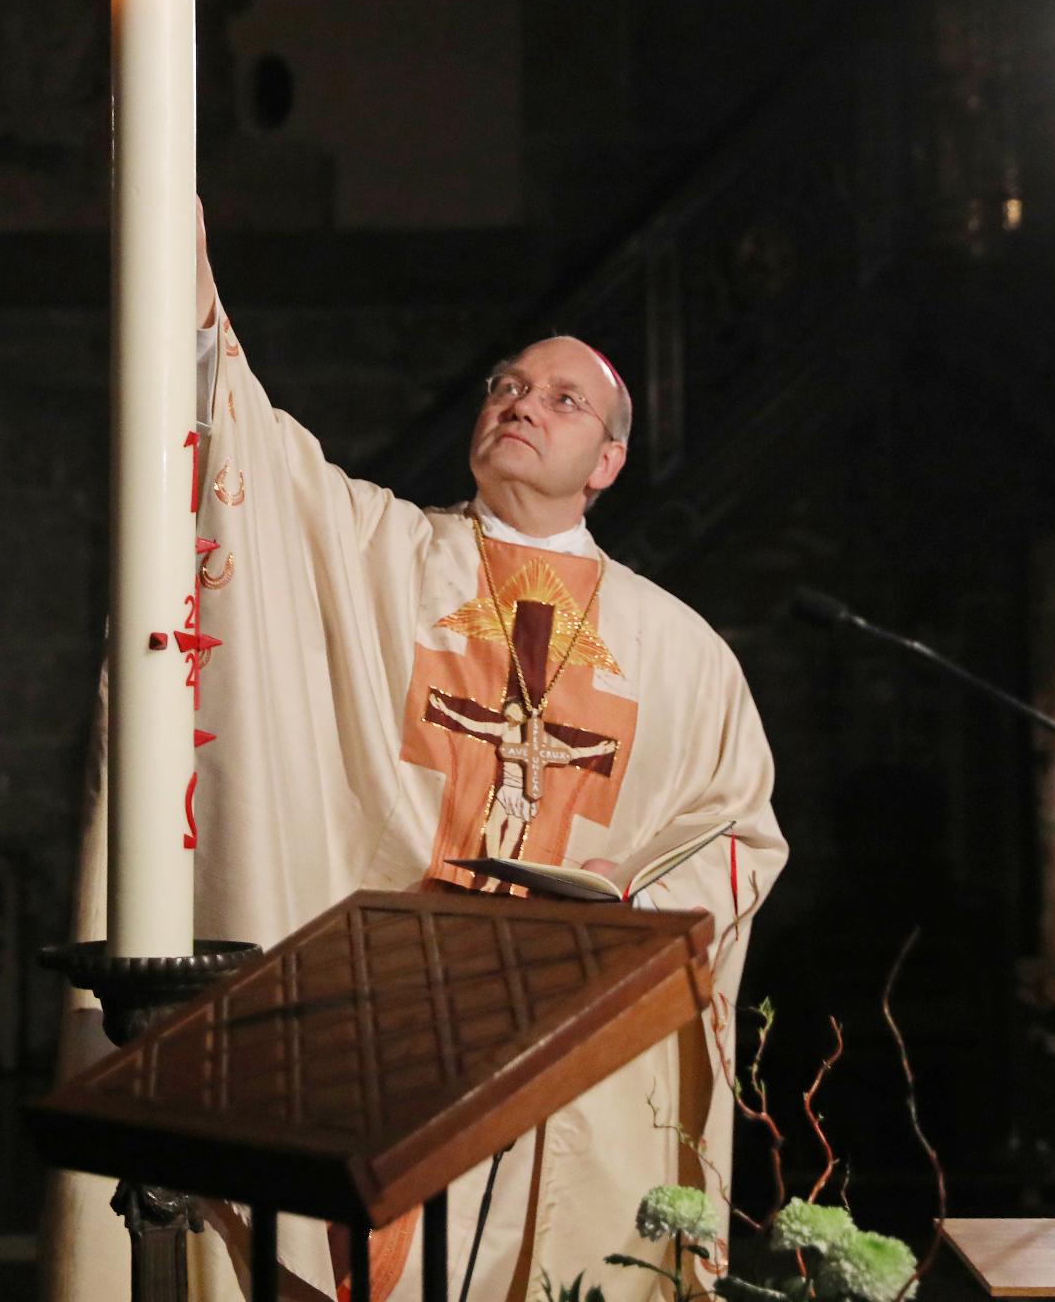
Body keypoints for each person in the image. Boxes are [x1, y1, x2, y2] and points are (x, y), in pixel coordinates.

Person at [41, 203, 787, 1302]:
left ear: (610, 462)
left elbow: (739, 831)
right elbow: (253, 463)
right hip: (378, 1024)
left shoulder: (682, 653)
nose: (520, 403)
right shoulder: (381, 553)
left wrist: (619, 907)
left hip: (557, 1042)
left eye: (561, 398)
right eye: (505, 387)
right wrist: (188, 288)